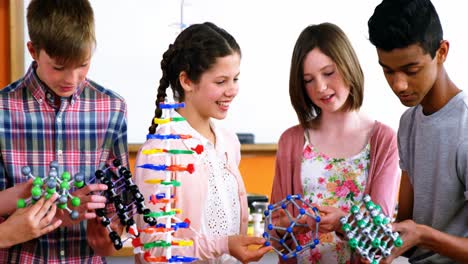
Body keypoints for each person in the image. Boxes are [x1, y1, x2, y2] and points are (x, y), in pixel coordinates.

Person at [0, 0, 128, 262]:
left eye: (83, 64)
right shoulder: (3, 111)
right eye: (59, 67)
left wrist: (110, 234)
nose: (71, 78)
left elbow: (119, 208)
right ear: (33, 51)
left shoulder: (112, 109)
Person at [134, 22, 272, 264]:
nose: (232, 90)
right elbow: (154, 251)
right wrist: (223, 245)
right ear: (187, 81)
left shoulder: (228, 141)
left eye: (235, 79)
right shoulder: (161, 152)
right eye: (220, 82)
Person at [270, 22, 401, 264]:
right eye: (308, 80)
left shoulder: (384, 140)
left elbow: (381, 238)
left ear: (348, 65)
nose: (320, 87)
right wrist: (291, 225)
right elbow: (274, 232)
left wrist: (343, 222)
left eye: (328, 73)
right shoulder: (291, 141)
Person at [368, 0, 468, 263]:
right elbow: (407, 229)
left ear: (442, 52)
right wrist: (349, 226)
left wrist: (423, 236)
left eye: (411, 70)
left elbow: (417, 234)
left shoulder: (465, 126)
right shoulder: (409, 123)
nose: (399, 84)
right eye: (387, 71)